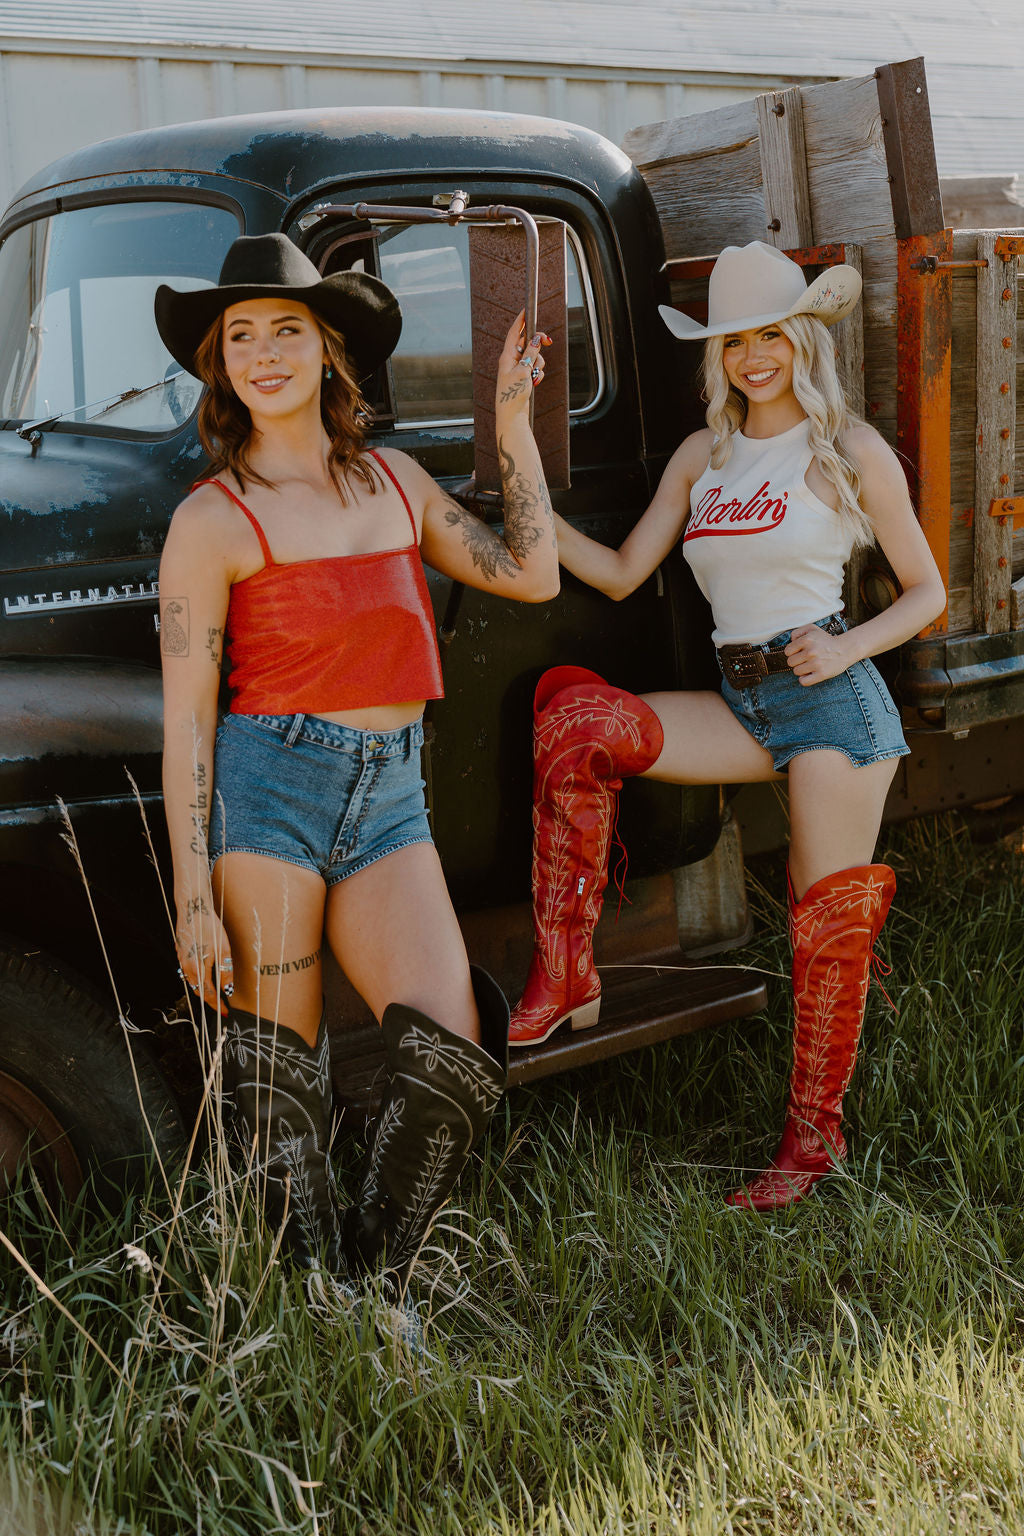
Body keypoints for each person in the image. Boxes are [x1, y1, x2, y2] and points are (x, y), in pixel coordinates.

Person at [155, 232, 558, 1291]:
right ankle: (301, 1297)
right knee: (280, 1080)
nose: (263, 353)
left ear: (329, 350)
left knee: (451, 1050)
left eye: (286, 329)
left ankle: (372, 1288)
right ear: (220, 365)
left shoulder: (391, 481)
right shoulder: (210, 518)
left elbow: (531, 573)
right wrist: (193, 893)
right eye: (240, 336)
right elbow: (188, 721)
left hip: (387, 794)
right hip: (267, 789)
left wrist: (511, 424)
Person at [507, 241, 945, 1210]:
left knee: (823, 933)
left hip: (831, 705)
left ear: (800, 340)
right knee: (576, 721)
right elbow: (621, 569)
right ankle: (567, 971)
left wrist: (845, 648)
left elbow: (927, 593)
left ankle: (812, 1140)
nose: (753, 357)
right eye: (733, 341)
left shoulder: (848, 451)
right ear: (715, 354)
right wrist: (524, 466)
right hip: (742, 701)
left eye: (769, 337)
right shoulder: (703, 459)